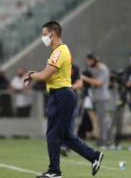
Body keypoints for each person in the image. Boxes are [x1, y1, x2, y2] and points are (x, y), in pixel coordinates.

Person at [23, 21, 103, 178]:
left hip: (61, 94)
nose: (43, 37)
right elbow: (46, 73)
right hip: (62, 94)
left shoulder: (60, 51)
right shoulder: (57, 52)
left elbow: (45, 75)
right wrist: (35, 73)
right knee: (65, 135)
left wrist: (32, 75)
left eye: (45, 34)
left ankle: (54, 171)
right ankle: (93, 156)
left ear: (52, 34)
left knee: (53, 134)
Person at [82, 52, 111, 148]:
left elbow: (98, 82)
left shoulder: (103, 69)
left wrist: (84, 78)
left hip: (102, 97)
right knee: (99, 119)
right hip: (97, 97)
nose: (88, 62)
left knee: (102, 119)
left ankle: (105, 140)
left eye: (90, 60)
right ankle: (101, 140)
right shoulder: (95, 69)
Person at [60, 63, 83, 157]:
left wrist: (69, 87)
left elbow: (80, 83)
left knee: (70, 124)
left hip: (70, 100)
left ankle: (66, 147)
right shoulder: (54, 66)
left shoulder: (74, 67)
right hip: (58, 99)